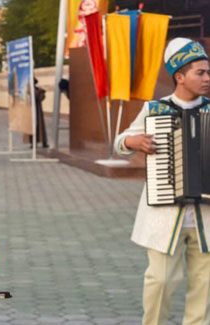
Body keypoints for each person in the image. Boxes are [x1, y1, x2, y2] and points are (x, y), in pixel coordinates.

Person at [114, 38, 210, 325]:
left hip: (207, 215)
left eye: (208, 72)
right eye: (200, 73)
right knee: (161, 281)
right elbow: (121, 141)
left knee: (204, 287)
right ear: (179, 77)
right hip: (165, 216)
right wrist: (133, 140)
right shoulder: (155, 109)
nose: (207, 78)